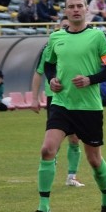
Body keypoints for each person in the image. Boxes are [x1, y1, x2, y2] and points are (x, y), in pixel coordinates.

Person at [26, 0, 106, 212]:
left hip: (88, 107)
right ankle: (43, 208)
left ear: (87, 9)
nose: (76, 9)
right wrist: (53, 79)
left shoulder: (99, 36)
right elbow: (47, 65)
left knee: (94, 160)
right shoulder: (56, 37)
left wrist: (90, 79)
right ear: (65, 11)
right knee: (47, 150)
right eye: (71, 6)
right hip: (61, 103)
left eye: (80, 6)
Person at [31, 17, 86, 188]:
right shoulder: (50, 47)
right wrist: (34, 98)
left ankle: (71, 176)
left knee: (75, 138)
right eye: (63, 26)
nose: (66, 28)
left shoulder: (80, 44)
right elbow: (39, 72)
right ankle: (49, 169)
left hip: (76, 96)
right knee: (55, 140)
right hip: (55, 98)